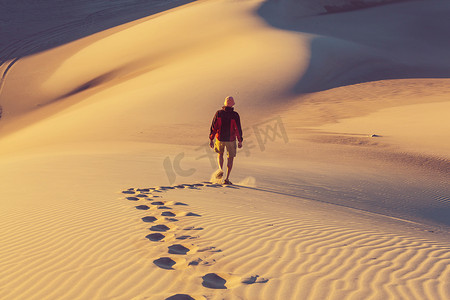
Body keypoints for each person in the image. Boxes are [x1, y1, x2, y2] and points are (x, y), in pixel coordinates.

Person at [209, 96, 243, 184]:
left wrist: (211, 139)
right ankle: (227, 178)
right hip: (231, 140)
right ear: (233, 104)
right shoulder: (235, 115)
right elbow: (238, 129)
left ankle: (220, 169)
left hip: (219, 138)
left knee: (220, 154)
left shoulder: (219, 113)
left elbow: (214, 126)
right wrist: (240, 140)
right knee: (230, 158)